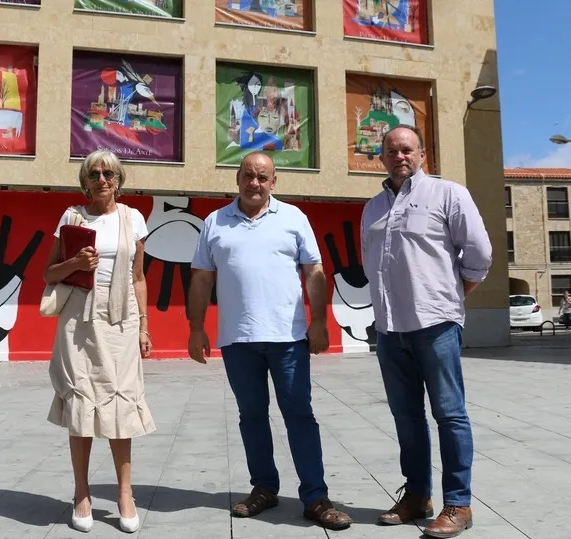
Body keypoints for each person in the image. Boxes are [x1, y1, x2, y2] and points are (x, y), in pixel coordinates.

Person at [186, 151, 353, 531]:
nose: (255, 183)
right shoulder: (215, 222)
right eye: (248, 175)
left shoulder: (295, 219)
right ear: (237, 179)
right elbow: (200, 279)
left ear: (273, 182)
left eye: (263, 177)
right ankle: (264, 488)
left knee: (299, 416)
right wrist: (196, 327)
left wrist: (319, 322)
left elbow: (313, 271)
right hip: (237, 338)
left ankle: (315, 497)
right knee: (252, 417)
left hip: (288, 338)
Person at [360, 125, 492, 538]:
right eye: (392, 150)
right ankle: (418, 496)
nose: (400, 156)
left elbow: (480, 253)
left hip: (435, 325)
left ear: (422, 154)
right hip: (389, 329)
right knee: (406, 417)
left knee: (450, 415)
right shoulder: (372, 207)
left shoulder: (448, 194)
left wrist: (452, 296)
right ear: (382, 157)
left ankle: (459, 503)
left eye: (407, 149)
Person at [43, 149, 156, 534]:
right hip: (78, 321)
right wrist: (76, 264)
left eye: (109, 173)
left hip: (121, 320)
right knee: (82, 406)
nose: (102, 179)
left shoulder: (133, 218)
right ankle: (81, 493)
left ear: (119, 179)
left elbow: (139, 277)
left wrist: (144, 325)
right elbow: (49, 273)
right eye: (94, 173)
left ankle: (125, 493)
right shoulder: (71, 217)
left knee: (121, 402)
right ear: (85, 180)